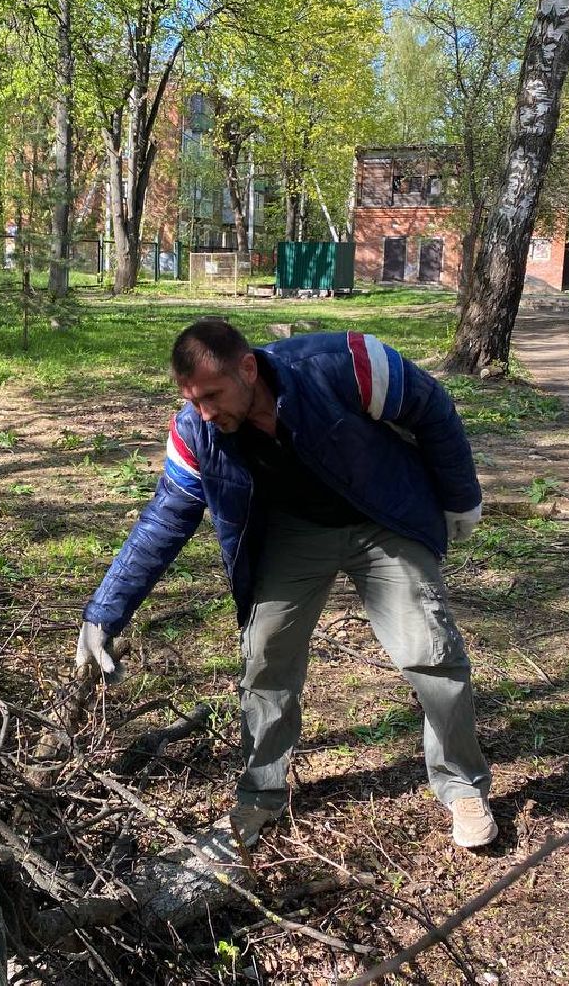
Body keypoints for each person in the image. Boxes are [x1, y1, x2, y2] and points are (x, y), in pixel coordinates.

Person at [74, 318, 496, 849]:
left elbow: (432, 409)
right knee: (266, 657)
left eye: (212, 394)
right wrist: (105, 612)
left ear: (247, 368)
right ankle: (259, 794)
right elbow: (164, 520)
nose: (204, 410)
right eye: (191, 398)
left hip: (383, 515)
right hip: (296, 531)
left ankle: (462, 786)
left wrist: (461, 497)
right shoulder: (196, 430)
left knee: (428, 651)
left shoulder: (347, 363)